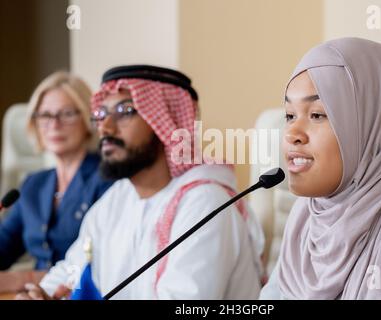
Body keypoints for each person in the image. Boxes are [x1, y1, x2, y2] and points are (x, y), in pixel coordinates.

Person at [18, 65, 264, 300]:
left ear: (164, 121)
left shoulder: (206, 203)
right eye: (101, 114)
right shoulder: (117, 198)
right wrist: (44, 293)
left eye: (125, 112)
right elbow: (73, 267)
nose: (106, 127)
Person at [260, 37, 381, 300]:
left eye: (317, 114)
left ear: (376, 123)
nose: (292, 133)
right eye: (290, 115)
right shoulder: (306, 215)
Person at [0, 71, 113, 294]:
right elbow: (4, 246)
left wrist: (27, 278)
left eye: (67, 114)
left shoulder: (107, 179)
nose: (54, 124)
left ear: (88, 120)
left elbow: (104, 263)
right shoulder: (34, 184)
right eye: (45, 115)